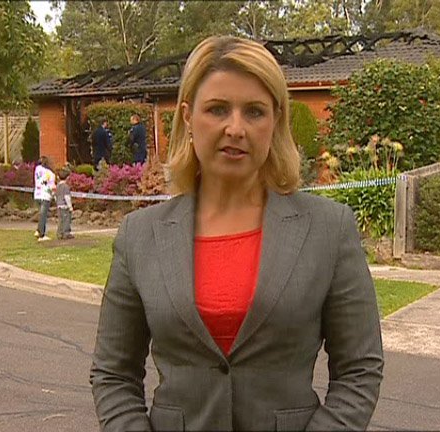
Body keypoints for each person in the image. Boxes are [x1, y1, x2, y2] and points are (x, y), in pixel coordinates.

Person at [90, 36, 384, 431]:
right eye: (217, 109)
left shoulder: (329, 229)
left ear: (275, 121)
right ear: (188, 117)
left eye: (254, 112)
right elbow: (113, 374)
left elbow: (360, 370)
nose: (235, 128)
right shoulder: (140, 236)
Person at [33, 156, 56, 241]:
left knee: (41, 214)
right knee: (43, 215)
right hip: (45, 195)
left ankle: (38, 230)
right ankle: (41, 234)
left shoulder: (37, 169)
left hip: (37, 194)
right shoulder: (50, 174)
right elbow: (52, 186)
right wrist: (54, 195)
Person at [55, 168, 74, 240]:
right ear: (67, 177)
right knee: (66, 220)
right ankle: (66, 233)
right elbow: (67, 197)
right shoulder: (66, 186)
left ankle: (59, 233)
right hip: (65, 206)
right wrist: (70, 206)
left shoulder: (57, 186)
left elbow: (55, 196)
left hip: (59, 206)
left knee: (60, 220)